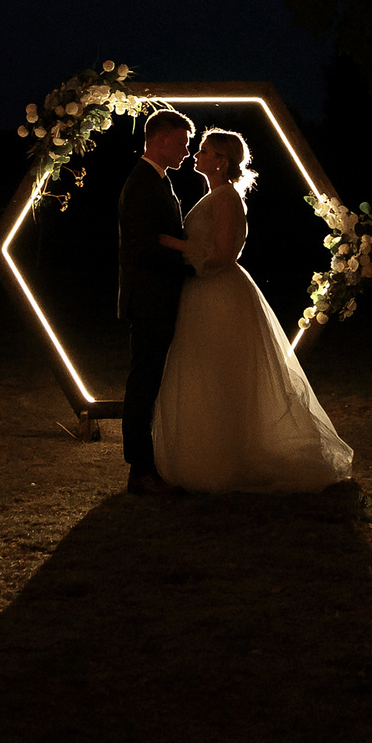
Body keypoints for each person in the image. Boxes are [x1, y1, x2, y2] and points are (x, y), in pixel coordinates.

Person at [151, 129, 353, 493]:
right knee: (206, 376)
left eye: (205, 150)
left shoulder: (226, 198)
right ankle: (211, 453)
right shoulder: (215, 195)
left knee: (223, 375)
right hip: (202, 293)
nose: (197, 154)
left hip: (220, 295)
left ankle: (228, 458)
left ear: (220, 161)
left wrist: (172, 242)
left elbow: (223, 254)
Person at [117, 108, 195, 496]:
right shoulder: (142, 183)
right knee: (143, 383)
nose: (185, 151)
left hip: (157, 298)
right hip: (149, 300)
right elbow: (145, 246)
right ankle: (140, 470)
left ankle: (147, 467)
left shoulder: (158, 180)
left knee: (149, 381)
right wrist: (191, 262)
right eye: (181, 143)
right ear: (160, 139)